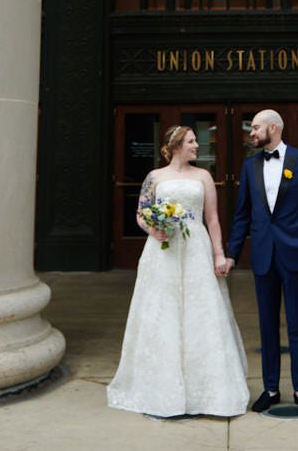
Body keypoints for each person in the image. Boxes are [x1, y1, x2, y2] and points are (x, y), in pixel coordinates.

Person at [107, 124, 250, 418]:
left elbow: (212, 219)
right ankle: (161, 389)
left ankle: (205, 392)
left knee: (202, 313)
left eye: (196, 141)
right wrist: (154, 229)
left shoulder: (204, 176)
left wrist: (219, 255)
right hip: (163, 252)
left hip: (196, 249)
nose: (197, 145)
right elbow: (140, 213)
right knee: (162, 313)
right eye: (191, 141)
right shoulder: (154, 177)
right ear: (175, 146)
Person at [223, 109, 298, 414]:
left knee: (297, 326)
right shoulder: (249, 166)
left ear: (274, 127)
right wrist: (232, 253)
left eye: (256, 128)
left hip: (295, 253)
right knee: (267, 326)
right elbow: (242, 213)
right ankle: (270, 388)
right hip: (262, 255)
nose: (251, 133)